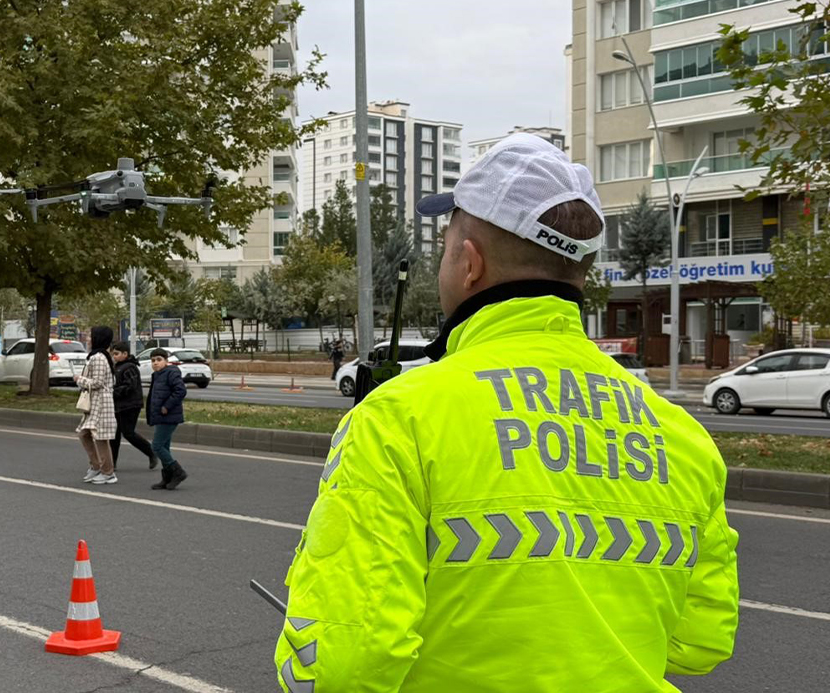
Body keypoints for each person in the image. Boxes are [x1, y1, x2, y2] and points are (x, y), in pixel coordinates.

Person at [276, 134, 738, 691]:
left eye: (446, 248)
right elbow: (700, 640)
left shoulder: (400, 419)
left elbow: (337, 665)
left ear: (469, 263)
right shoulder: (681, 435)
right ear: (581, 272)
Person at [75, 326, 118, 485]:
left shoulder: (99, 357)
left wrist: (79, 379)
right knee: (84, 434)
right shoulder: (98, 356)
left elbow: (99, 382)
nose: (88, 339)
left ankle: (107, 472)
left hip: (100, 404)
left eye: (90, 336)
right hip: (95, 403)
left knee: (100, 437)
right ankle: (96, 466)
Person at [109, 342, 158, 470]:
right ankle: (112, 462)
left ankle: (151, 452)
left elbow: (129, 386)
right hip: (119, 405)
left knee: (128, 432)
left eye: (117, 354)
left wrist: (113, 391)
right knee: (114, 434)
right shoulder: (118, 367)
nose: (114, 356)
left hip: (130, 405)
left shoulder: (129, 367)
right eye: (113, 354)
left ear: (125, 354)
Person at [145, 348, 188, 490]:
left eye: (159, 360)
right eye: (153, 360)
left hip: (169, 415)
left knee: (156, 446)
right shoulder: (157, 375)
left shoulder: (172, 372)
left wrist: (167, 406)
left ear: (166, 361)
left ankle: (178, 472)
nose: (155, 363)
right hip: (160, 416)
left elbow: (180, 390)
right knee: (164, 447)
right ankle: (167, 478)